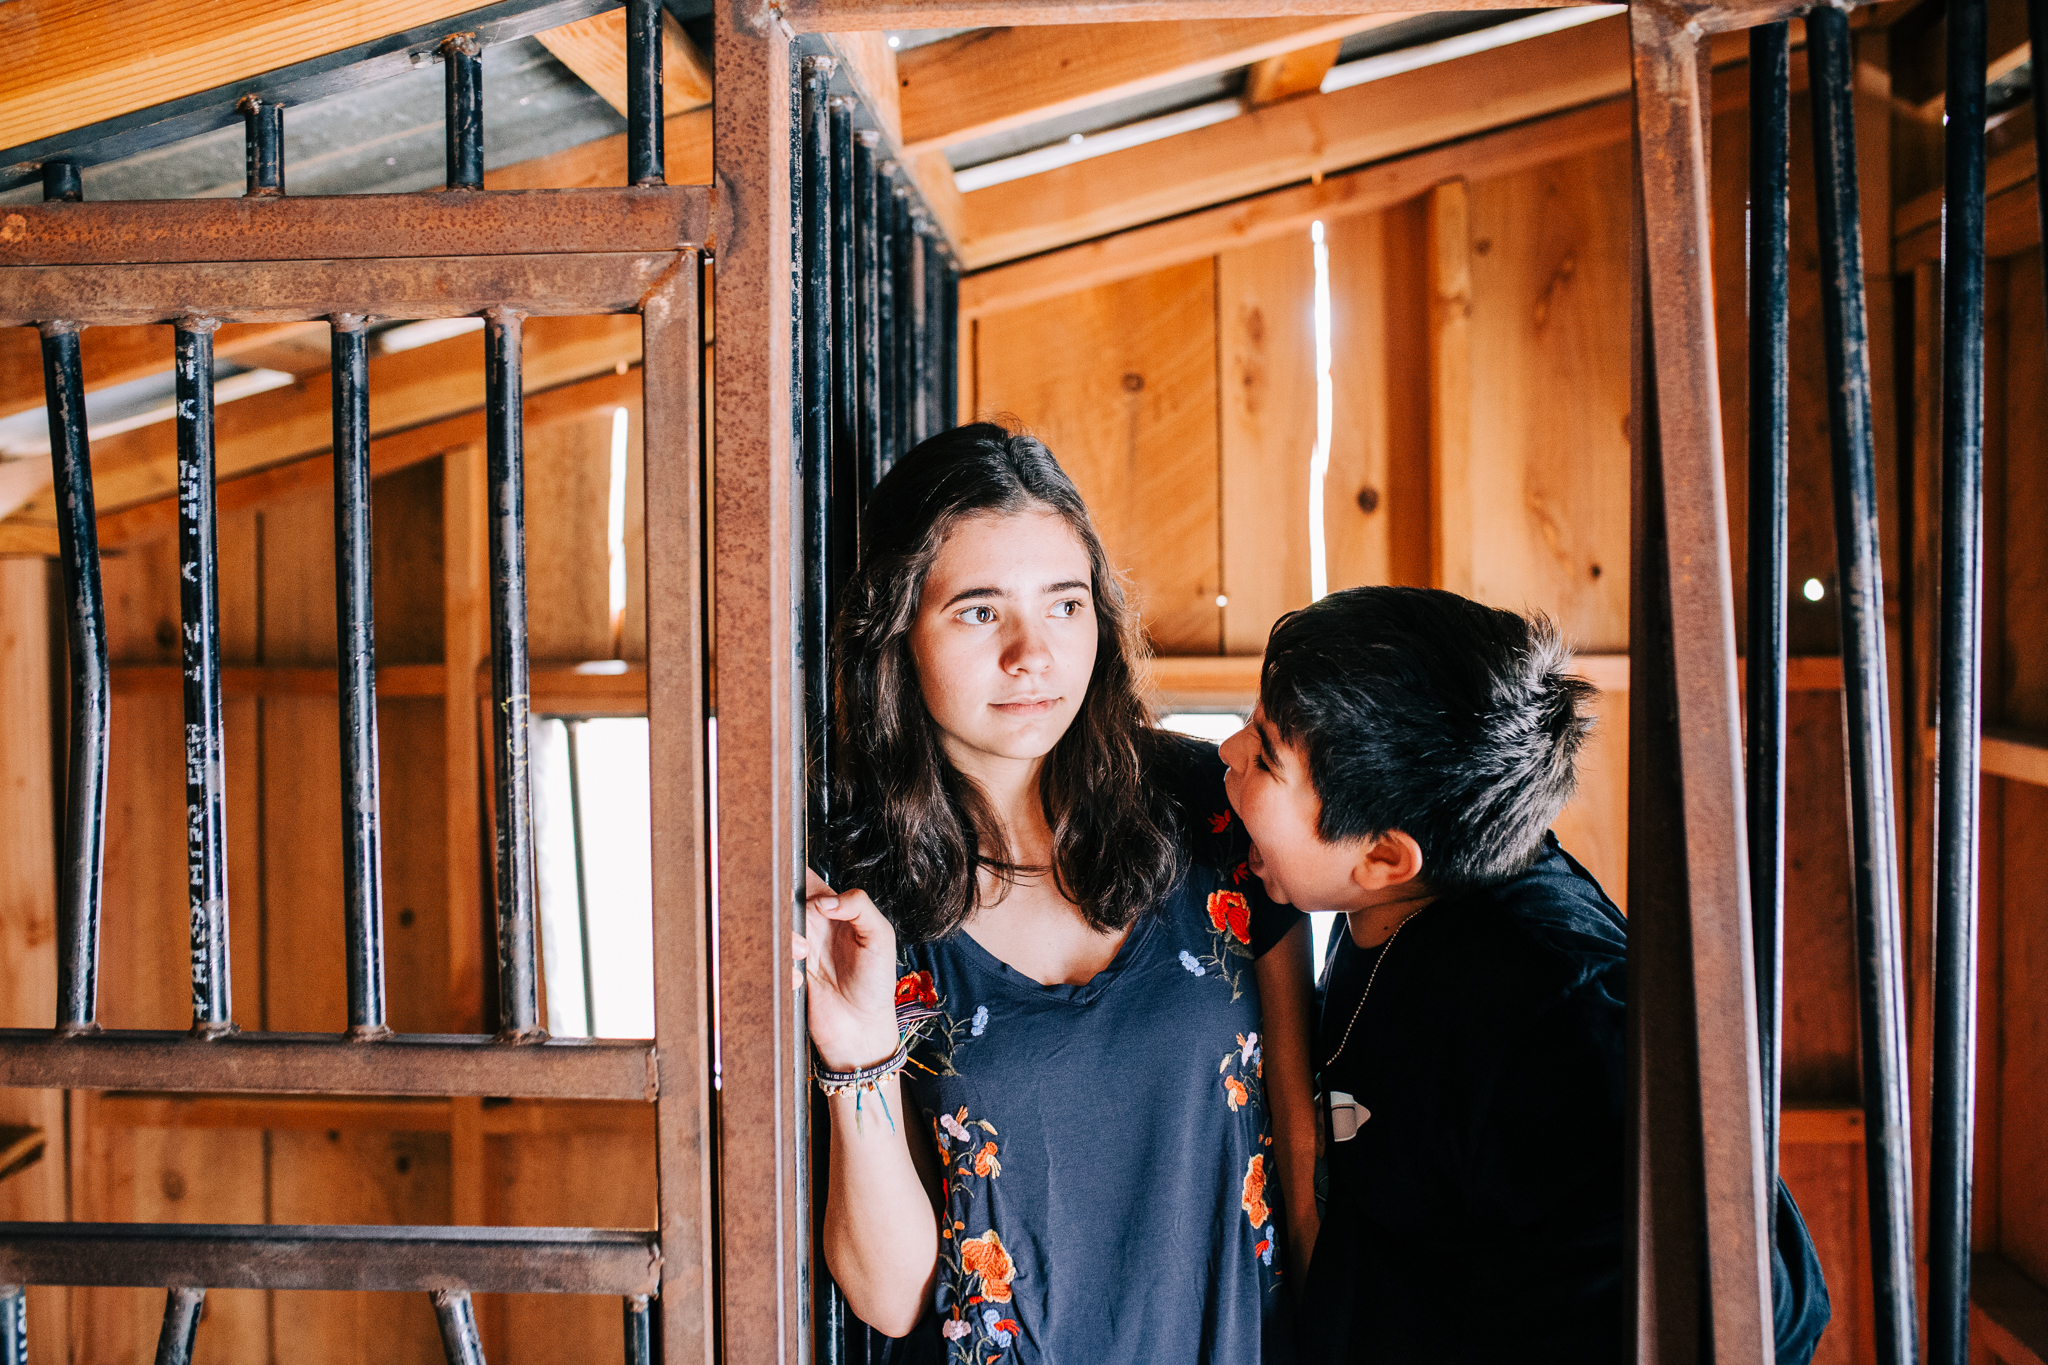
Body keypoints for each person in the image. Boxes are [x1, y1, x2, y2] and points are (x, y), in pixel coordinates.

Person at [794, 422, 1318, 1363]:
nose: (1033, 653)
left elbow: (1302, 1144)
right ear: (898, 631)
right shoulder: (858, 896)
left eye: (1065, 604)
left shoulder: (1214, 805)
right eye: (979, 611)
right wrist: (857, 1053)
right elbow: (889, 1297)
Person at [1217, 585, 1831, 1364]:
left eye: (1267, 753)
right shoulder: (1404, 894)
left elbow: (1768, 1305)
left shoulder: (1559, 1013)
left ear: (1383, 855)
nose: (1228, 754)